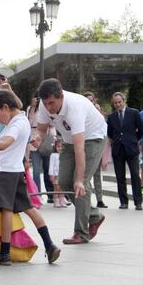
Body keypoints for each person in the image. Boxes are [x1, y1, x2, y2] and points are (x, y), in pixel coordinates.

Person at [0, 90, 61, 265]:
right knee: (29, 209)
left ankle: (5, 253)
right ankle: (49, 245)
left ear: (6, 107)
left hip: (6, 172)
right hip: (15, 170)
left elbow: (4, 143)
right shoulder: (21, 119)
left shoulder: (15, 124)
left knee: (6, 210)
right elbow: (19, 105)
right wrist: (6, 89)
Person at [32, 78, 107, 245]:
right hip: (68, 140)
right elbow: (42, 129)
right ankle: (95, 216)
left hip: (92, 138)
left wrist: (80, 180)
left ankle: (81, 232)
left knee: (80, 185)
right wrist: (37, 137)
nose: (49, 107)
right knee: (64, 182)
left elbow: (79, 150)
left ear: (61, 97)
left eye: (52, 103)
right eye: (46, 103)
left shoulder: (75, 108)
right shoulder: (45, 104)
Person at [107, 92, 143, 210]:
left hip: (131, 149)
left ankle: (138, 202)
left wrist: (134, 140)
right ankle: (123, 202)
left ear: (124, 101)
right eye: (115, 103)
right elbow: (110, 133)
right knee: (120, 177)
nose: (118, 105)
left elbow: (142, 129)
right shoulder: (112, 117)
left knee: (134, 175)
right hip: (118, 150)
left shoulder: (134, 113)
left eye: (119, 102)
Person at [26, 96, 55, 202]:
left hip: (45, 138)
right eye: (34, 99)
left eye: (38, 99)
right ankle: (37, 193)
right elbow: (28, 123)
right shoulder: (29, 109)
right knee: (36, 170)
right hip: (33, 138)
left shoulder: (46, 109)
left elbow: (52, 123)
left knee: (47, 168)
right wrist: (33, 109)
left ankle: (50, 194)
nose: (36, 101)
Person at [83, 91, 108, 208]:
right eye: (87, 100)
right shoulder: (80, 113)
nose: (90, 102)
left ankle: (99, 199)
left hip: (96, 146)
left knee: (97, 174)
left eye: (91, 100)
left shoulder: (99, 114)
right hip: (83, 147)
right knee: (85, 175)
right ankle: (85, 199)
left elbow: (104, 130)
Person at [48, 138, 69, 208]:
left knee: (62, 188)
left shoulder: (64, 155)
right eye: (58, 146)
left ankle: (62, 201)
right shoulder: (53, 155)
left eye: (61, 146)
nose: (60, 148)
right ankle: (56, 201)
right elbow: (51, 165)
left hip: (62, 174)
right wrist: (51, 174)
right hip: (55, 175)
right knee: (56, 188)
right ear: (55, 147)